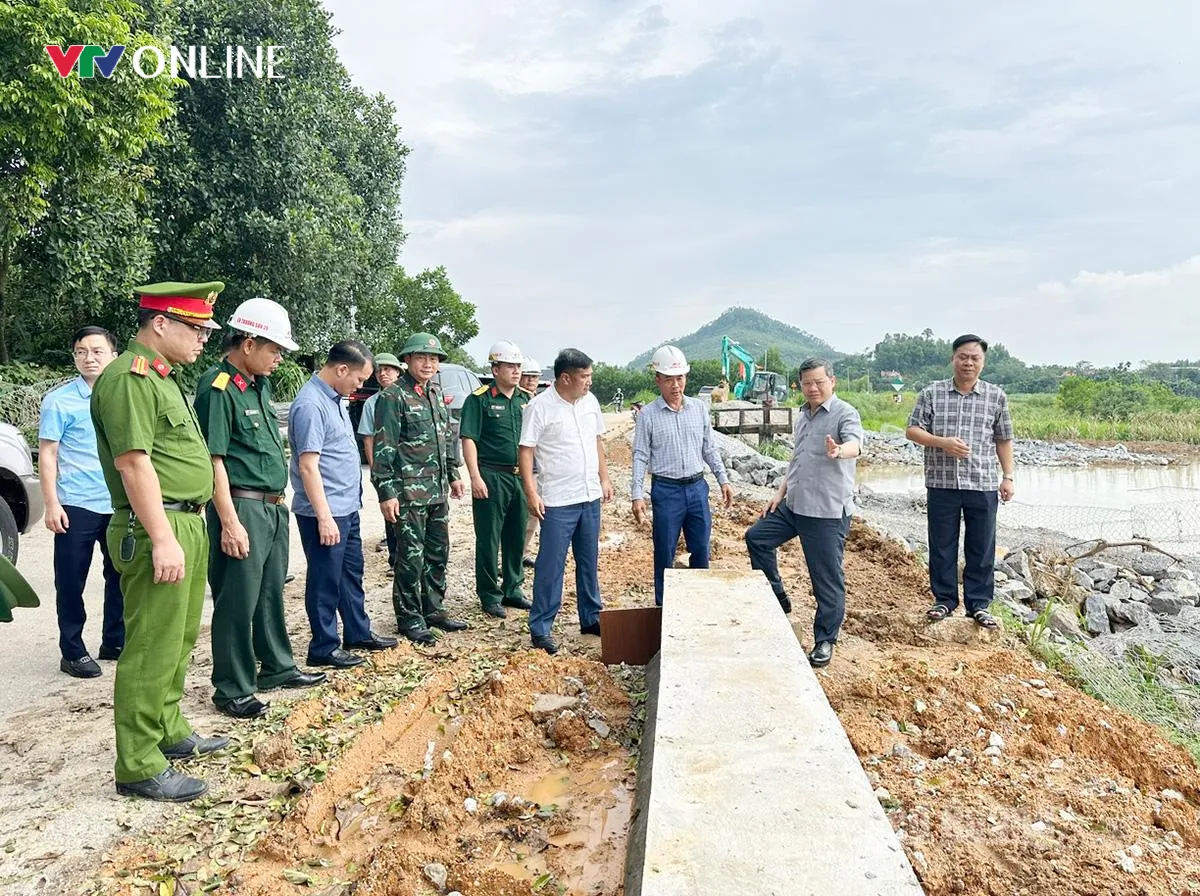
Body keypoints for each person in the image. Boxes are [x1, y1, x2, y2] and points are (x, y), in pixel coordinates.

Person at [90, 281, 230, 802]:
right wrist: (163, 537)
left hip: (184, 523)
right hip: (158, 529)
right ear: (161, 323)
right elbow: (133, 463)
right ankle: (138, 763)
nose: (203, 340)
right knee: (151, 647)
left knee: (178, 639)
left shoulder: (166, 380)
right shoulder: (130, 378)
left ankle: (168, 732)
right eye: (196, 329)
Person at [194, 298, 326, 720]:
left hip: (272, 507)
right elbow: (214, 459)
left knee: (269, 592)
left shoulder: (258, 385)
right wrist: (229, 521)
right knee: (238, 598)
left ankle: (276, 667)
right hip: (242, 507)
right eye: (274, 349)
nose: (278, 358)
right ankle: (232, 687)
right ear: (248, 343)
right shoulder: (217, 388)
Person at [744, 359, 863, 668]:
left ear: (832, 382)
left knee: (825, 579)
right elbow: (797, 461)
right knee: (756, 537)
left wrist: (840, 451)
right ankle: (778, 595)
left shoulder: (844, 413)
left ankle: (825, 640)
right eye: (807, 383)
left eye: (819, 382)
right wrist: (779, 494)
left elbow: (856, 445)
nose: (813, 388)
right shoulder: (803, 416)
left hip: (825, 512)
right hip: (794, 505)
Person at [289, 341, 397, 669]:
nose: (361, 386)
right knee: (325, 579)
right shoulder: (311, 404)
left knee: (351, 573)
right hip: (325, 512)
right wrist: (324, 517)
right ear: (341, 369)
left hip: (346, 507)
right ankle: (323, 646)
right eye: (360, 379)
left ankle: (357, 630)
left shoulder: (335, 399)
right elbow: (309, 466)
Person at [905, 334, 1014, 630]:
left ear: (983, 362)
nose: (968, 362)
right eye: (963, 357)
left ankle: (978, 605)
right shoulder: (932, 393)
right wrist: (942, 443)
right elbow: (912, 431)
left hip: (983, 483)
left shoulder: (995, 396)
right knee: (942, 545)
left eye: (974, 358)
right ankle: (944, 600)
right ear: (953, 359)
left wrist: (1008, 477)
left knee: (981, 546)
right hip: (942, 483)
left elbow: (1003, 439)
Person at [371, 332, 467, 644]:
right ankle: (410, 618)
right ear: (408, 360)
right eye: (422, 357)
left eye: (434, 358)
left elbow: (446, 439)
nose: (429, 363)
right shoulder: (393, 397)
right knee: (410, 558)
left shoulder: (435, 392)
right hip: (409, 494)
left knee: (438, 553)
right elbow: (384, 449)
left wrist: (453, 474)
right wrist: (386, 493)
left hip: (437, 491)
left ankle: (433, 609)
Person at [39, 326, 123, 679]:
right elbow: (48, 454)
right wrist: (51, 504)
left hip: (119, 503)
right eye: (81, 351)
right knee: (71, 580)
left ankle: (115, 641)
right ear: (74, 356)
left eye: (97, 351)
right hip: (76, 505)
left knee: (120, 576)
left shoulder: (123, 396)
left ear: (113, 355)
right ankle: (72, 650)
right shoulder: (60, 401)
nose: (89, 358)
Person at [519, 348, 613, 655]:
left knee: (589, 562)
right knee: (551, 565)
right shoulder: (540, 407)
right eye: (584, 376)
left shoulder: (591, 402)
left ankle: (591, 617)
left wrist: (605, 477)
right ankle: (541, 627)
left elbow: (597, 441)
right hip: (558, 500)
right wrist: (532, 493)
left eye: (590, 376)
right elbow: (526, 451)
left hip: (589, 496)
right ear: (565, 377)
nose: (589, 382)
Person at [631, 345, 733, 606]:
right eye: (669, 379)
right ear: (658, 380)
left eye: (680, 378)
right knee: (664, 552)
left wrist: (723, 480)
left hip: (698, 488)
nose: (676, 385)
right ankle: (664, 608)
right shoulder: (648, 416)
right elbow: (640, 455)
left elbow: (709, 447)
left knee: (700, 549)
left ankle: (699, 605)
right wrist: (637, 495)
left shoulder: (698, 409)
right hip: (666, 492)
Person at [460, 341, 532, 618]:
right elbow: (469, 439)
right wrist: (475, 476)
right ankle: (489, 594)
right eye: (510, 366)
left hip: (520, 477)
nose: (515, 371)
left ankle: (513, 589)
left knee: (516, 536)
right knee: (489, 538)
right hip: (491, 475)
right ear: (495, 368)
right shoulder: (479, 399)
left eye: (518, 366)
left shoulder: (526, 400)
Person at [357, 352, 404, 571]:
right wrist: (376, 470)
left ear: (398, 372)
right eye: (379, 370)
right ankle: (395, 559)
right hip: (387, 469)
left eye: (388, 369)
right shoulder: (372, 404)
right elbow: (369, 439)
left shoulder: (408, 397)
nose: (383, 374)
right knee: (391, 514)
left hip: (409, 468)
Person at [518, 356, 542, 568]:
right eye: (527, 377)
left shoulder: (539, 403)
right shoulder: (516, 402)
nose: (530, 381)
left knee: (533, 514)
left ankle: (524, 551)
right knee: (517, 513)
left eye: (534, 377)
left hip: (538, 466)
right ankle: (510, 555)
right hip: (518, 466)